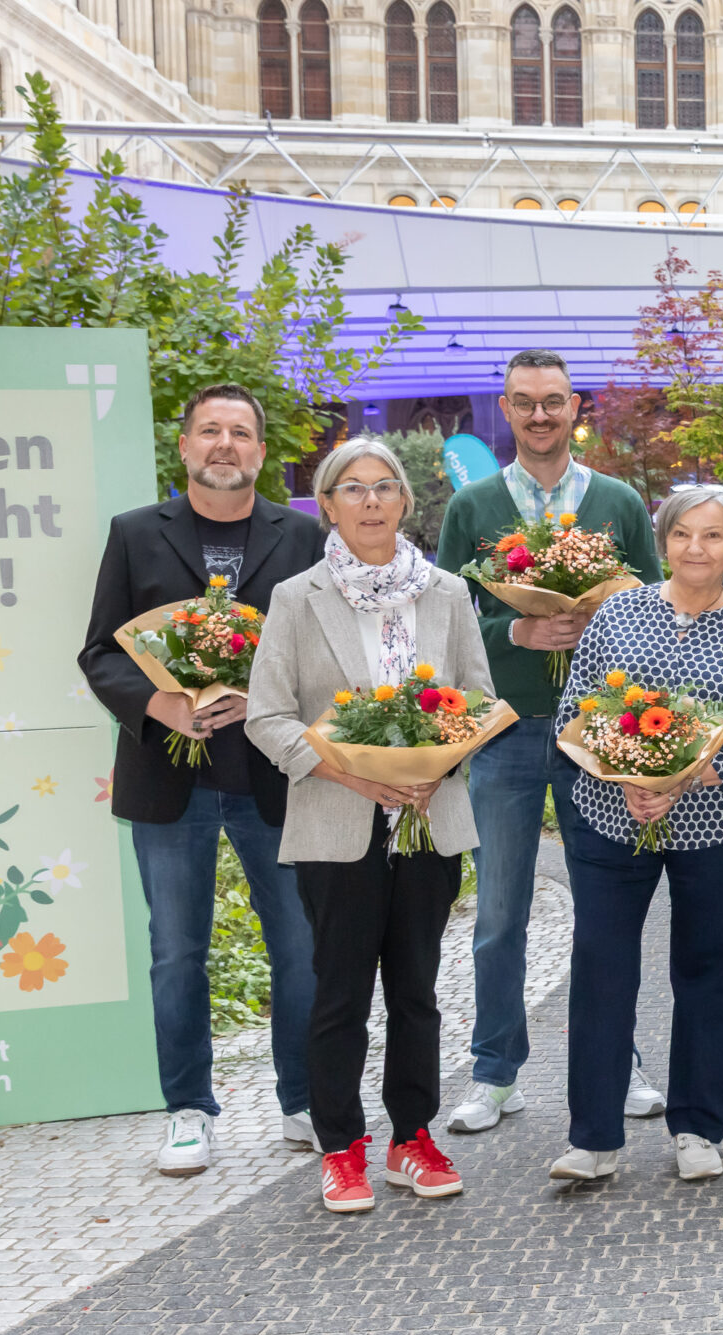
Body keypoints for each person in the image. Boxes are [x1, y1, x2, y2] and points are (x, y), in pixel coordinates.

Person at [79, 383, 324, 1177]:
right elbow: (101, 653)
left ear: (261, 452)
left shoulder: (303, 537)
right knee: (177, 952)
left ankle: (303, 1100)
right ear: (183, 446)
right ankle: (189, 1110)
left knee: (301, 945)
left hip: (274, 777)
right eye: (210, 431)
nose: (225, 444)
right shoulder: (132, 534)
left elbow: (325, 655)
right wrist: (160, 704)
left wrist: (268, 700)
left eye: (241, 433)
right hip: (167, 774)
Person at [245, 438, 491, 1214]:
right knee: (340, 994)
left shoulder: (448, 593)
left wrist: (434, 769)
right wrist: (344, 771)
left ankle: (410, 1138)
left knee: (417, 991)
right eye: (353, 488)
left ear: (406, 502)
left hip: (429, 822)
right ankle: (341, 1148)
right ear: (327, 504)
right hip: (335, 821)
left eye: (385, 486)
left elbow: (477, 702)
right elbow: (266, 717)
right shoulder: (296, 597)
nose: (372, 500)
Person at [433, 349, 667, 1135]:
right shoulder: (473, 507)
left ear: (577, 409)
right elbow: (449, 618)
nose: (540, 415)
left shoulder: (619, 501)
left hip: (598, 731)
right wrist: (517, 628)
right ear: (505, 409)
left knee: (606, 910)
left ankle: (620, 1059)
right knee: (499, 913)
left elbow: (653, 606)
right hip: (503, 731)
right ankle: (496, 1072)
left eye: (554, 401)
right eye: (525, 402)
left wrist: (603, 625)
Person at [548, 484, 723, 1184]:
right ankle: (593, 1138)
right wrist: (627, 776)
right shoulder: (617, 615)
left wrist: (683, 779)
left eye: (713, 536)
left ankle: (697, 1126)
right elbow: (576, 713)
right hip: (611, 816)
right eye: (683, 533)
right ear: (663, 541)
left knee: (711, 968)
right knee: (602, 967)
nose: (697, 548)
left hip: (719, 822)